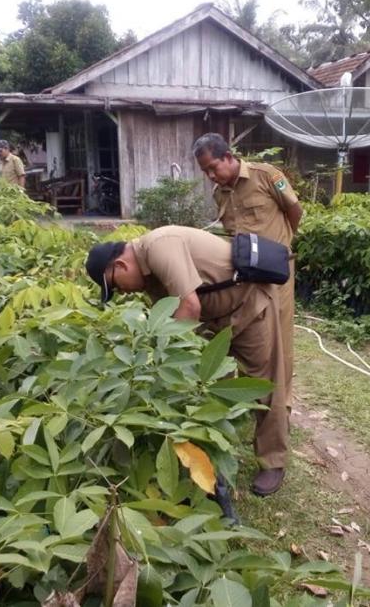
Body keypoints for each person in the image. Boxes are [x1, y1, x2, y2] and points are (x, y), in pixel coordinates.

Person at [85, 225, 290, 496]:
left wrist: (164, 362)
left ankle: (273, 461)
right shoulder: (148, 278)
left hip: (249, 304)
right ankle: (213, 457)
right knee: (210, 388)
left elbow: (189, 307)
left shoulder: (160, 245)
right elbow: (171, 319)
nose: (124, 293)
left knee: (264, 385)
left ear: (121, 265)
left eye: (117, 287)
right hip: (213, 318)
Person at [193, 133, 302, 403]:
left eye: (212, 168)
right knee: (248, 336)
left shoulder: (265, 175)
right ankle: (249, 398)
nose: (210, 176)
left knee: (280, 340)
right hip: (245, 277)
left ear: (228, 157)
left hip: (277, 275)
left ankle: (281, 403)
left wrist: (283, 246)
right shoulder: (221, 193)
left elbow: (294, 210)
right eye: (205, 171)